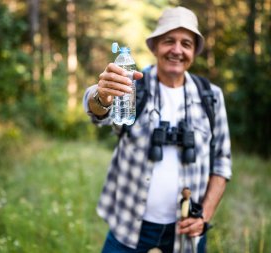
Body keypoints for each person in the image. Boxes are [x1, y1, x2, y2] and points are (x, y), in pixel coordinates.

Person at [83, 6, 232, 253]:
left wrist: (203, 216)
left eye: (186, 43)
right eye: (168, 41)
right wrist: (102, 96)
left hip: (186, 234)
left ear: (194, 51)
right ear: (154, 47)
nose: (177, 50)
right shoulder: (133, 85)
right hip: (129, 230)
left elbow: (222, 163)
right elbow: (97, 112)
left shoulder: (212, 96)